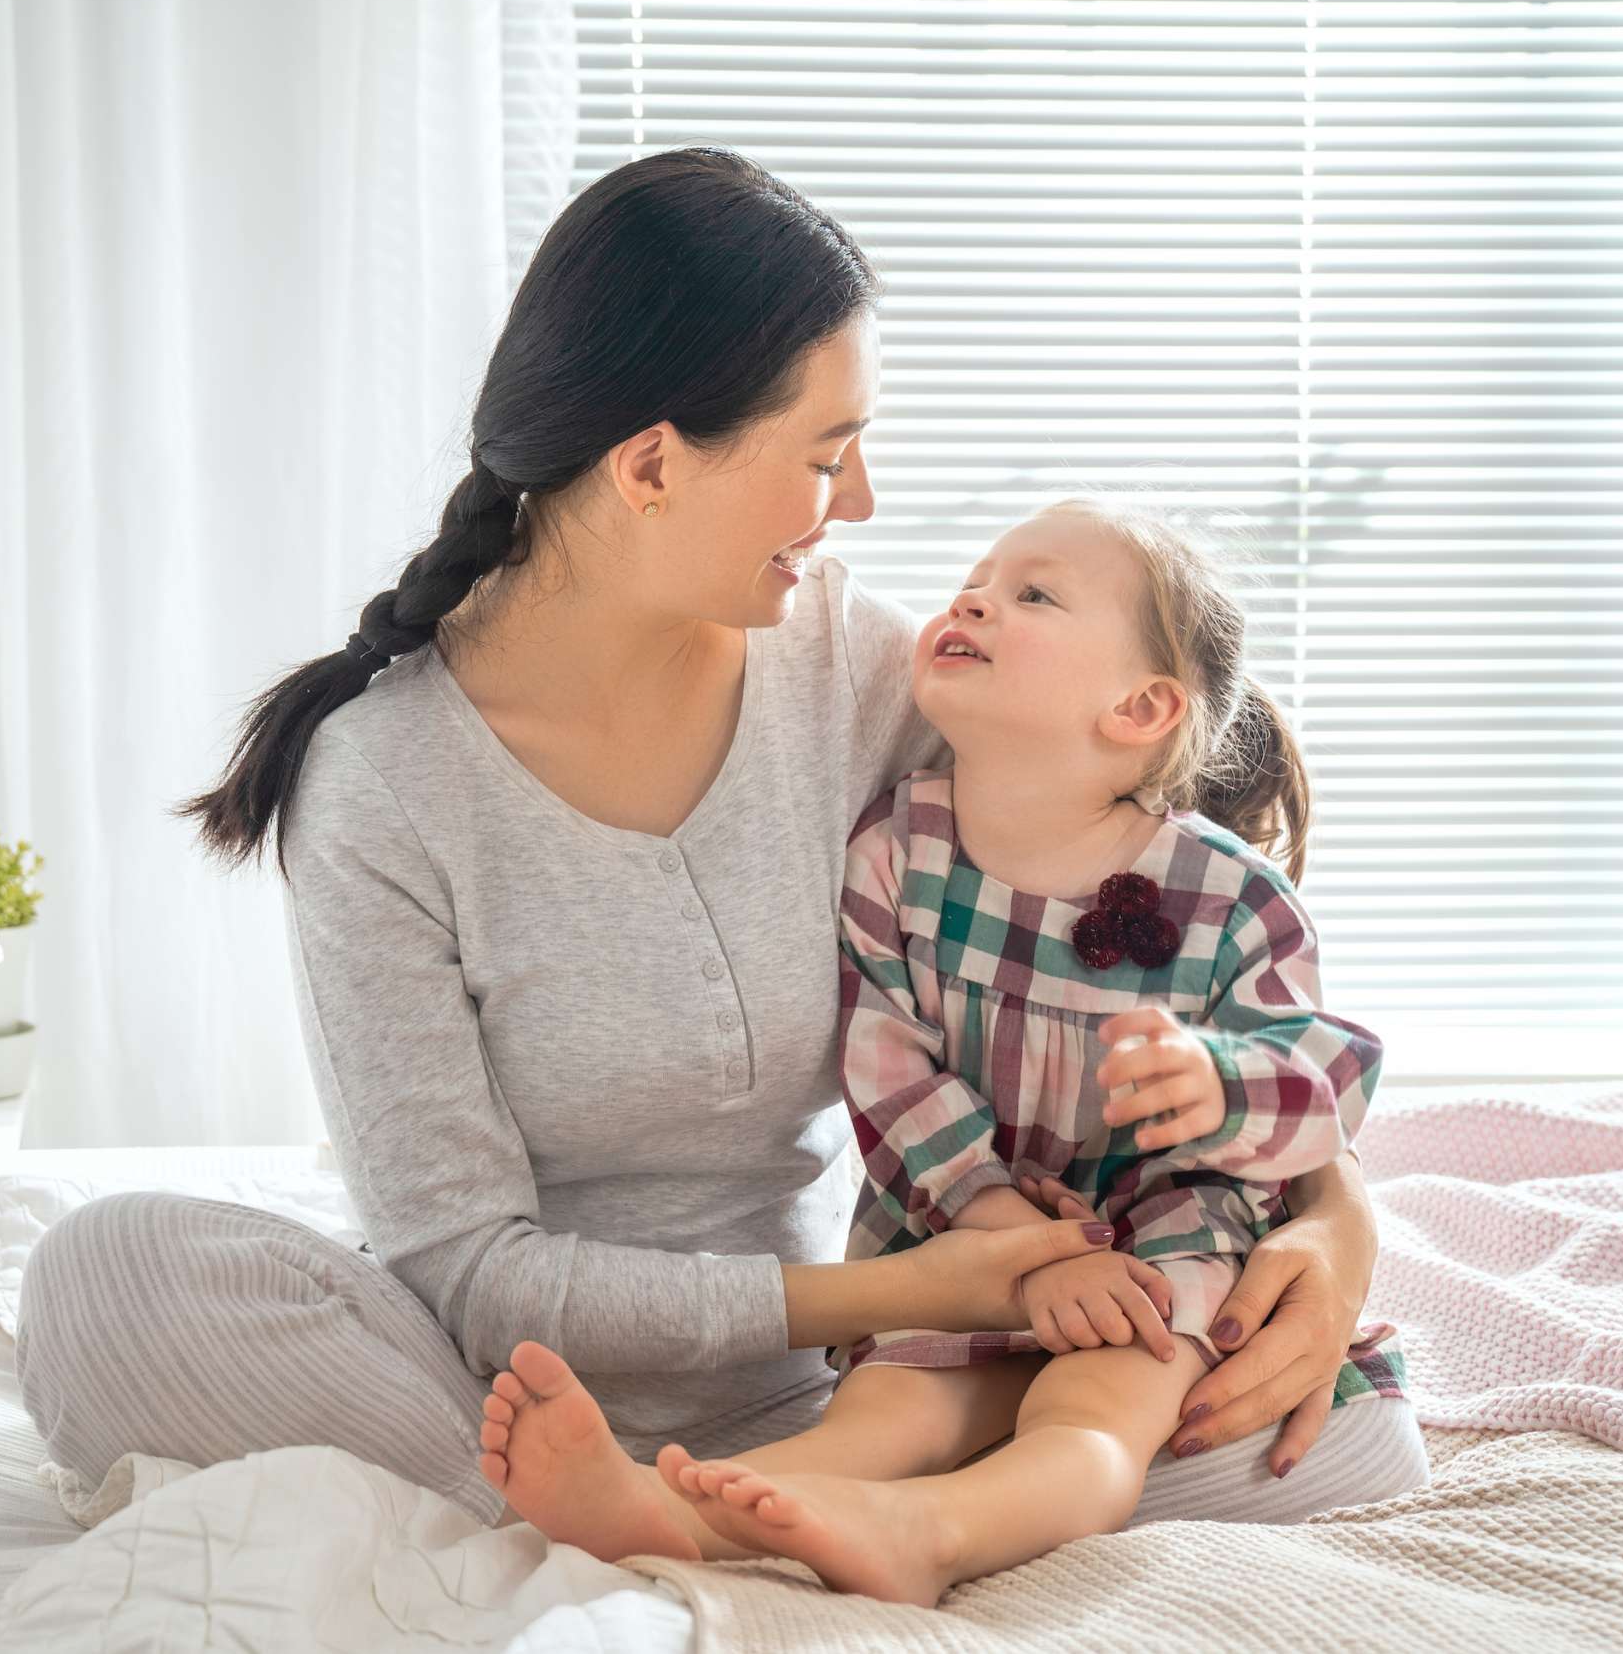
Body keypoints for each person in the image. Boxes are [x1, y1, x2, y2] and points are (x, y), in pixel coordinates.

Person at [12, 147, 1430, 1543]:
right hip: (504, 1383)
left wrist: (1330, 1213)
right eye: (825, 453)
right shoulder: (383, 782)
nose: (861, 501)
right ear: (646, 466)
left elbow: (1170, 878)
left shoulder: (864, 681)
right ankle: (712, 1512)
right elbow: (470, 1269)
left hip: (860, 1387)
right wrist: (952, 1289)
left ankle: (730, 1516)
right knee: (107, 1275)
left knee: (1339, 1433)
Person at [478, 497, 1411, 1603]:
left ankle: (934, 1530)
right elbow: (891, 1066)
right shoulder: (896, 849)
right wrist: (1008, 1233)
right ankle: (665, 1506)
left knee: (1092, 1412)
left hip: (1164, 1235)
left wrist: (1215, 1081)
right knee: (892, 1404)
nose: (973, 595)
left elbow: (1326, 1080)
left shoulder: (1231, 897)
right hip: (966, 1225)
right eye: (977, 575)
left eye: (1033, 594)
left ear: (1141, 705)